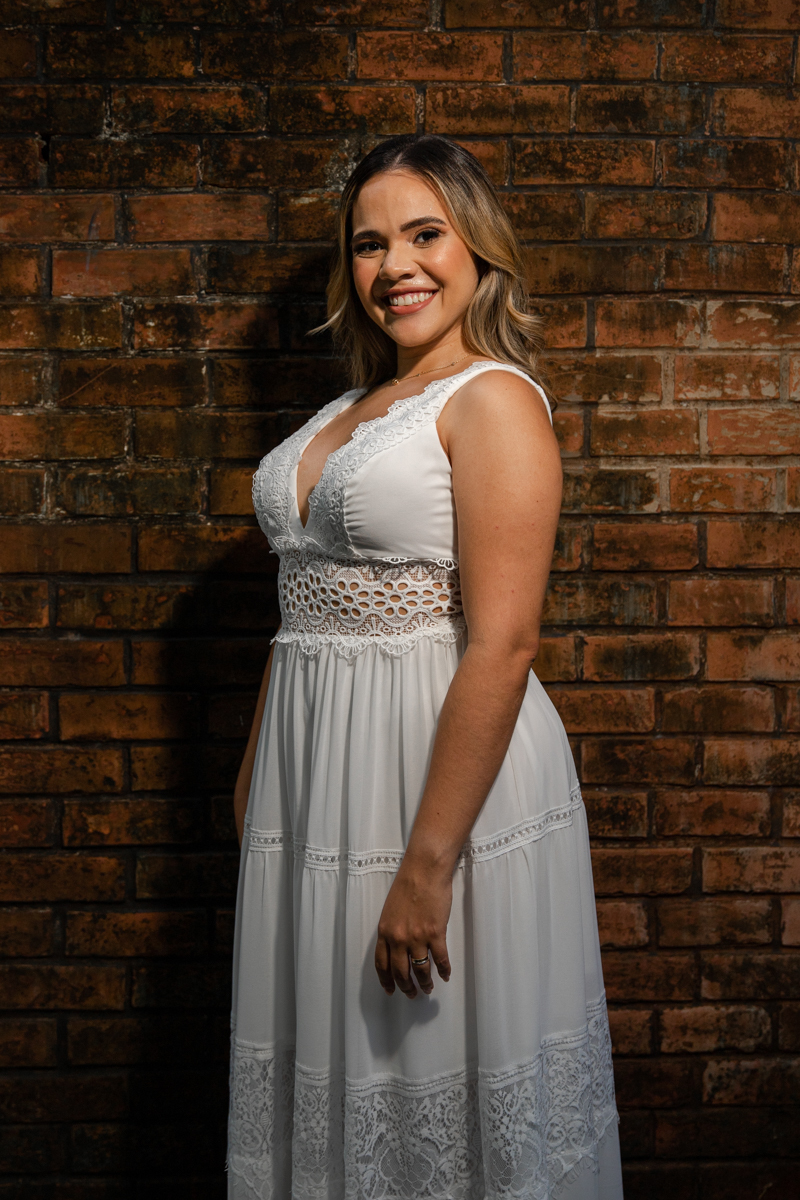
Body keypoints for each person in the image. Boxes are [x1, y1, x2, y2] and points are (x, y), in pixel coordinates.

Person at [227, 133, 623, 1200]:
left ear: (475, 248)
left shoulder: (492, 399)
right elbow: (301, 606)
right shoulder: (345, 411)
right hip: (318, 784)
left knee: (425, 1064)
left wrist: (427, 866)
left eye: (423, 234)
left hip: (436, 786)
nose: (394, 265)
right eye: (368, 244)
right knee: (333, 1062)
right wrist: (258, 775)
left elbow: (504, 642)